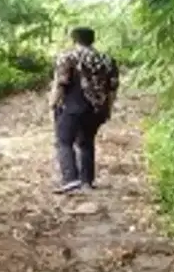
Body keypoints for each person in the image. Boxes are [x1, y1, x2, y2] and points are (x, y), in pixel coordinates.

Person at [48, 27, 120, 194]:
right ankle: (87, 181)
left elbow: (61, 83)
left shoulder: (68, 57)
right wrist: (108, 108)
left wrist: (52, 103)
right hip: (96, 108)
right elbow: (113, 88)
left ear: (74, 40)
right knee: (87, 142)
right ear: (92, 40)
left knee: (64, 141)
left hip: (72, 106)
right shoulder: (107, 60)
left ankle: (70, 179)